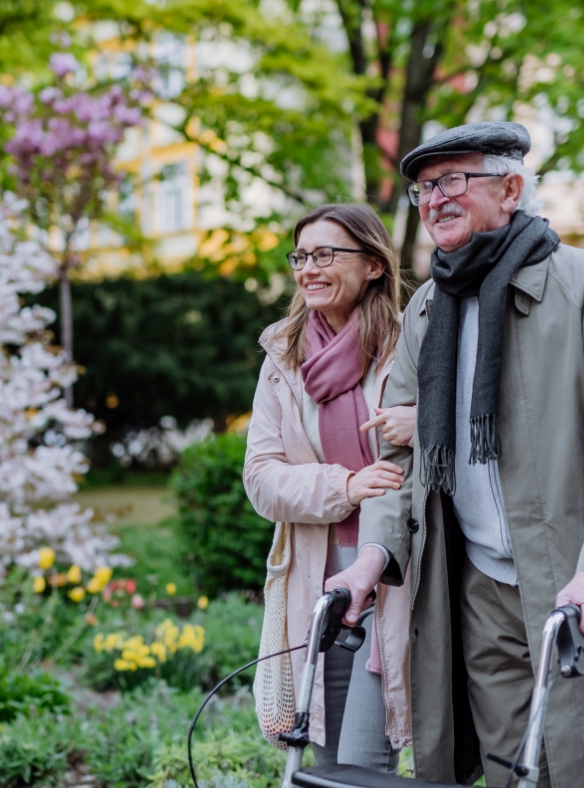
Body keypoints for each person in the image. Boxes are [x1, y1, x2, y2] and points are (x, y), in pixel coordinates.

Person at [326, 122, 584, 788]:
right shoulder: (428, 310)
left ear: (512, 188)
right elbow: (399, 460)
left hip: (574, 585)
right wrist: (370, 560)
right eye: (424, 188)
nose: (434, 199)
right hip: (480, 592)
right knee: (509, 772)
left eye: (454, 181)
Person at [243, 203, 415, 771]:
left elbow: (429, 464)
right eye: (301, 256)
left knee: (366, 759)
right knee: (323, 751)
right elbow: (262, 479)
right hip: (316, 578)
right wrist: (347, 485)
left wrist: (423, 424)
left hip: (393, 575)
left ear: (372, 265)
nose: (308, 269)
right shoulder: (283, 357)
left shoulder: (408, 347)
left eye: (325, 255)